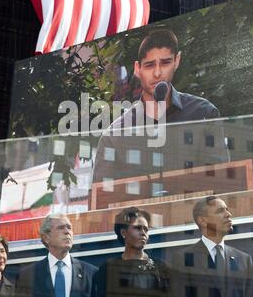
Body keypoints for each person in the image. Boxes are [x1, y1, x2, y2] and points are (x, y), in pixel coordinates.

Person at [93, 29, 224, 185]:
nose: (157, 73)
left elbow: (221, 182)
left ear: (177, 60)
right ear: (137, 69)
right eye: (149, 65)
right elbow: (102, 199)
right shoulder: (115, 135)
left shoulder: (204, 113)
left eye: (165, 62)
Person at [171, 196, 253, 297]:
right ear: (202, 220)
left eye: (227, 209)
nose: (228, 214)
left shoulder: (243, 259)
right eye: (221, 210)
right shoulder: (182, 259)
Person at [13, 213, 97, 297]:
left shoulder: (91, 273)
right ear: (46, 238)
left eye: (69, 228)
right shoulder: (27, 275)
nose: (67, 231)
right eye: (61, 228)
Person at [94, 207, 173, 297]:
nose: (143, 233)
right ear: (123, 232)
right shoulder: (108, 268)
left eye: (146, 229)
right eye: (138, 228)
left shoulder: (162, 268)